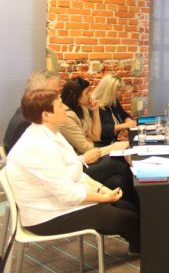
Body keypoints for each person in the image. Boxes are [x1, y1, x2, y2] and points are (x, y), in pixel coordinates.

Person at [6, 89, 140, 255]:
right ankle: (146, 252)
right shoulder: (38, 146)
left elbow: (70, 171)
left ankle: (141, 247)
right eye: (60, 105)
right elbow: (67, 194)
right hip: (47, 216)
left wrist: (100, 191)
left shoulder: (50, 133)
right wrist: (103, 198)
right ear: (46, 115)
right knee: (127, 217)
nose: (66, 108)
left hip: (58, 203)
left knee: (128, 207)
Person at [60, 77, 137, 206]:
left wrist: (95, 112)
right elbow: (87, 147)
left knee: (119, 180)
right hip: (81, 164)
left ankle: (131, 207)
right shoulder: (67, 117)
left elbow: (95, 136)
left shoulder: (83, 108)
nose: (89, 96)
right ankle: (136, 205)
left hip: (90, 155)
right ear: (76, 96)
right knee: (120, 161)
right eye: (86, 93)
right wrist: (93, 140)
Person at [3, 71, 60, 154]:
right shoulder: (26, 122)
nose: (58, 98)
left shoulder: (29, 113)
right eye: (54, 94)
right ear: (39, 94)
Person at [93, 74, 136, 147]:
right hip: (102, 146)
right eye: (118, 90)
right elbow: (103, 129)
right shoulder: (95, 106)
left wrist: (128, 121)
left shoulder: (113, 102)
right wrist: (125, 125)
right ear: (109, 90)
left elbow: (124, 114)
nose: (121, 92)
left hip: (113, 143)